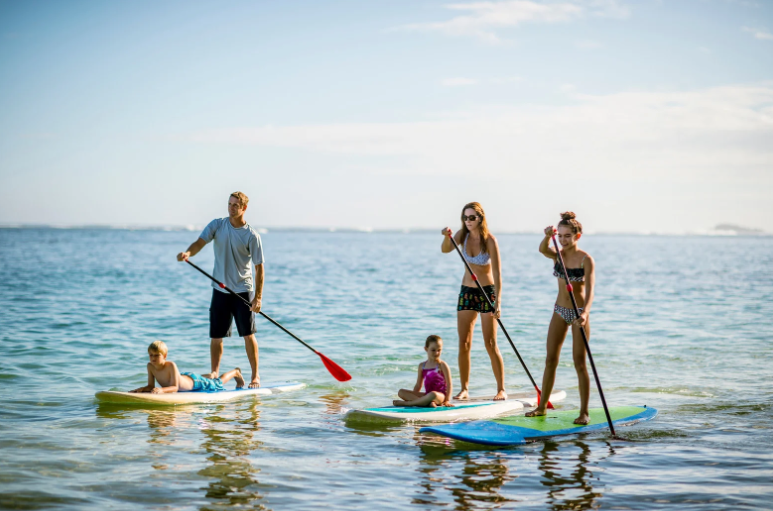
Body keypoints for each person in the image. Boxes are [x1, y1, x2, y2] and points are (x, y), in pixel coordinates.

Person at [177, 191, 264, 388]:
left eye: (235, 205)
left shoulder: (252, 235)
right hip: (220, 289)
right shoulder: (217, 225)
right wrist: (188, 253)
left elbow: (259, 268)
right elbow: (200, 243)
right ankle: (215, 373)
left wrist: (257, 298)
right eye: (229, 204)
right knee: (216, 336)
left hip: (242, 291)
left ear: (244, 208)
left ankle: (255, 376)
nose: (231, 208)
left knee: (248, 335)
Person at [526, 212, 595, 424]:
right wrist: (548, 236)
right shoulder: (558, 255)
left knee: (579, 363)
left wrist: (585, 314)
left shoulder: (585, 259)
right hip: (559, 311)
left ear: (577, 236)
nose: (563, 240)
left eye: (567, 236)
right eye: (561, 236)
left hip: (579, 314)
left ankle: (584, 413)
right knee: (550, 360)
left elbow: (591, 291)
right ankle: (541, 408)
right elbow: (542, 249)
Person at [441, 202, 507, 400]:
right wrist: (446, 237)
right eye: (465, 217)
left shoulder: (490, 241)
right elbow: (445, 250)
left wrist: (498, 302)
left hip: (487, 293)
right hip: (467, 292)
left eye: (471, 217)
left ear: (480, 218)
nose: (468, 221)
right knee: (464, 342)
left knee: (490, 343)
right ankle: (464, 389)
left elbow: (498, 273)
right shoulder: (462, 235)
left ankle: (501, 389)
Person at [130, 340, 244, 394]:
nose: (153, 358)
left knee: (217, 383)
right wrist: (141, 389)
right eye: (151, 355)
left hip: (195, 381)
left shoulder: (171, 365)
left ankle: (235, 372)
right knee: (210, 379)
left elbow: (175, 388)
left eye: (157, 355)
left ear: (164, 356)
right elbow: (151, 386)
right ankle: (210, 375)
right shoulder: (150, 366)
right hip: (183, 376)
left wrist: (162, 390)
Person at [393, 335, 454, 407]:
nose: (436, 353)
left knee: (433, 394)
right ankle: (426, 402)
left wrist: (447, 400)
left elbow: (449, 384)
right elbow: (418, 385)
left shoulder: (442, 365)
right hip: (427, 395)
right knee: (401, 392)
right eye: (433, 350)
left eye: (439, 350)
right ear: (426, 349)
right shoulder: (422, 366)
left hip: (439, 396)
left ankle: (409, 403)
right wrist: (412, 395)